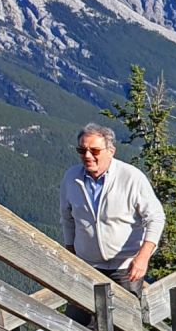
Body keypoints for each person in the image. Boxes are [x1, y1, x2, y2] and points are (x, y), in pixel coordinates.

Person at [60, 123, 165, 301]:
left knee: (125, 324)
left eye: (94, 151)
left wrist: (143, 257)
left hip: (126, 268)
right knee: (79, 324)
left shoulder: (131, 177)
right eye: (82, 150)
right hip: (87, 265)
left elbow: (156, 217)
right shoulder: (71, 177)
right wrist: (71, 252)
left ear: (111, 151)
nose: (87, 156)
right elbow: (67, 218)